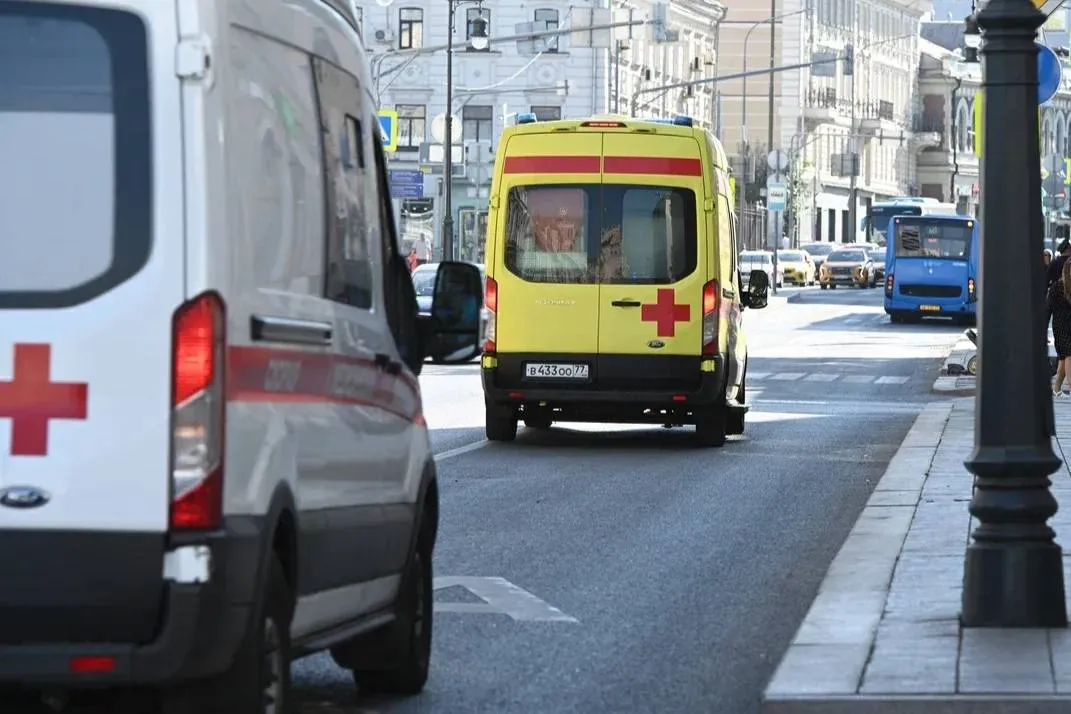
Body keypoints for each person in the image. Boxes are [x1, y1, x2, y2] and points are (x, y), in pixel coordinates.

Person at [1047, 257, 1071, 396]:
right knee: (1068, 354)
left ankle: (1056, 389)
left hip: (1063, 326)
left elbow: (1047, 308)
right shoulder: (1058, 287)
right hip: (1062, 327)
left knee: (1063, 359)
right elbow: (1048, 309)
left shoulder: (1056, 287)